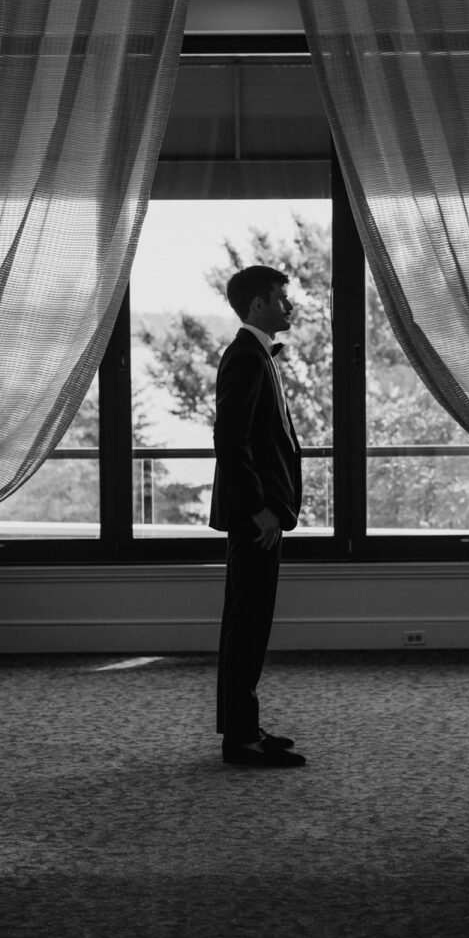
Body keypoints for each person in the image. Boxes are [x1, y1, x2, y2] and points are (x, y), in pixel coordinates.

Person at [210, 265, 306, 767]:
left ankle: (242, 729)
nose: (290, 306)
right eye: (282, 298)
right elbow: (231, 441)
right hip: (257, 518)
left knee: (246, 624)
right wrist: (259, 510)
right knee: (247, 627)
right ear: (257, 305)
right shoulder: (246, 356)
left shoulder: (255, 353)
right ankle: (242, 741)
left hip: (262, 515)